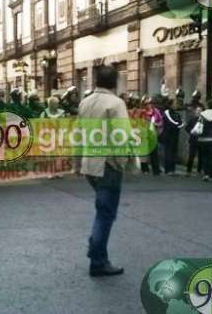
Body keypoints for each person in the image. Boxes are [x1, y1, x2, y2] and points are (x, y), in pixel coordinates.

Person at [79, 65, 127, 277]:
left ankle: (96, 249)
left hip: (90, 163)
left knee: (102, 209)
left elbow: (79, 133)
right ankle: (98, 260)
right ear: (114, 82)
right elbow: (121, 136)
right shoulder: (115, 104)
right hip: (107, 163)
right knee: (105, 214)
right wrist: (121, 163)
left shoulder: (85, 102)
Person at [196, 108, 212, 181]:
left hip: (203, 139)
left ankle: (206, 174)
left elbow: (198, 125)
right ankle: (211, 175)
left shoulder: (202, 115)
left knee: (204, 157)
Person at [140, 96, 162, 176]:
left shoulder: (156, 111)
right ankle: (145, 169)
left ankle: (156, 170)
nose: (148, 105)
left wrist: (156, 124)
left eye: (150, 103)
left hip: (153, 134)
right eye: (146, 103)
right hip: (144, 134)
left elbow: (161, 122)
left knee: (154, 152)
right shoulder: (141, 112)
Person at [161, 98, 184, 175]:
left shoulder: (177, 113)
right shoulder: (167, 112)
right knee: (168, 152)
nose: (176, 105)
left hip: (175, 135)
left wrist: (179, 125)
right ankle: (168, 170)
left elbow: (181, 122)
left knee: (174, 152)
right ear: (170, 104)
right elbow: (170, 121)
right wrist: (177, 125)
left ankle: (173, 169)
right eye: (174, 104)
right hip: (168, 135)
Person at [184, 104, 204, 177]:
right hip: (193, 140)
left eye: (200, 111)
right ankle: (188, 171)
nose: (198, 112)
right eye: (197, 110)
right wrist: (191, 131)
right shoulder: (192, 119)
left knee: (201, 156)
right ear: (195, 111)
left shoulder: (204, 120)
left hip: (201, 140)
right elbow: (187, 128)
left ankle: (199, 170)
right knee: (191, 155)